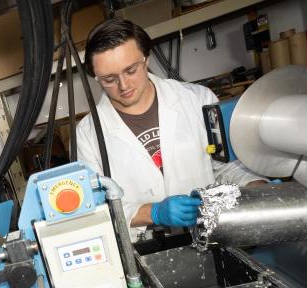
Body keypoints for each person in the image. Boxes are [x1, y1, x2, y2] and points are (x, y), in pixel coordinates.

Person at [77, 18, 265, 240]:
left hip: (212, 233)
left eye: (130, 70)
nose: (123, 85)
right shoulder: (88, 134)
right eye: (109, 79)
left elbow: (225, 167)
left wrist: (257, 187)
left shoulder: (198, 100)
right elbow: (96, 210)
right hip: (143, 248)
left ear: (145, 59)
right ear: (96, 78)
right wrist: (152, 213)